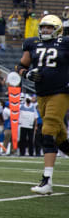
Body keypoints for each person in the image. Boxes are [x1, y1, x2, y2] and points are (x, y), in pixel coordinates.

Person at [16, 14, 69, 194]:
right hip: (41, 94)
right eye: (43, 27)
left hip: (61, 92)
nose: (45, 30)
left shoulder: (65, 43)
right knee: (60, 137)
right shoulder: (32, 43)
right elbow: (21, 66)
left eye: (49, 27)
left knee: (47, 131)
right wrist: (26, 74)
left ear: (58, 29)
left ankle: (47, 181)